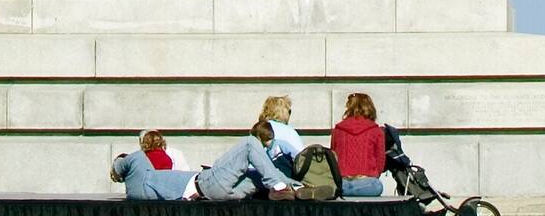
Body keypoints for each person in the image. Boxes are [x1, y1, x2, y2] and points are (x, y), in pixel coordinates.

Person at [111, 121, 301, 200]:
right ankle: (286, 185)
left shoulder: (135, 192)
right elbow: (118, 165)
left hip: (213, 193)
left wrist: (117, 175)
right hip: (205, 183)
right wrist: (119, 163)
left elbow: (118, 172)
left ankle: (294, 188)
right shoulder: (136, 161)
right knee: (250, 144)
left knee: (256, 176)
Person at [330, 93, 385, 196]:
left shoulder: (338, 130)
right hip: (367, 184)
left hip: (342, 183)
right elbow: (380, 162)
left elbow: (333, 157)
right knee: (378, 186)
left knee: (334, 186)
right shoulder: (376, 131)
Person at [258, 96, 306, 174]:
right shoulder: (289, 131)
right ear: (282, 112)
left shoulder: (259, 128)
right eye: (289, 111)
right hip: (280, 176)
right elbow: (301, 159)